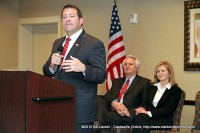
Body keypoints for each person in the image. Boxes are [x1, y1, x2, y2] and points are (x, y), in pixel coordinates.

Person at [43, 4, 106, 133]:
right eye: (64, 17)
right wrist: (51, 65)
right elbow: (46, 72)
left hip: (80, 110)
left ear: (81, 21)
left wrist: (83, 68)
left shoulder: (94, 43)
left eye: (72, 16)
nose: (67, 19)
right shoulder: (57, 42)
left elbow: (101, 75)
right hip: (57, 106)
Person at [96, 55, 151, 131]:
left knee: (105, 118)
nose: (127, 66)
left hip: (128, 114)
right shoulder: (117, 81)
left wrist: (128, 112)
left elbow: (145, 105)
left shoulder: (144, 82)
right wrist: (114, 103)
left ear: (137, 68)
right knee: (98, 99)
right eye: (125, 64)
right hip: (113, 112)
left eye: (130, 64)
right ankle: (98, 123)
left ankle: (98, 124)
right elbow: (107, 95)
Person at [133, 61, 182, 133]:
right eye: (158, 71)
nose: (160, 73)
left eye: (163, 71)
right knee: (140, 118)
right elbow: (145, 103)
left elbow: (169, 109)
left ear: (169, 73)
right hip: (146, 117)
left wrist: (148, 113)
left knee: (140, 123)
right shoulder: (151, 87)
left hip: (163, 120)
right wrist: (142, 109)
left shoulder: (175, 90)